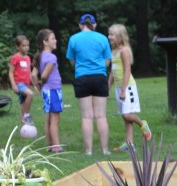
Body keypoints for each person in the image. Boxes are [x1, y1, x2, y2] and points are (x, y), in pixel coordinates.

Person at [65, 13, 113, 155]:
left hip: (82, 78)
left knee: (87, 116)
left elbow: (72, 62)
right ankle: (105, 150)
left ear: (80, 25)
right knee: (101, 115)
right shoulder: (103, 38)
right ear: (94, 25)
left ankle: (89, 151)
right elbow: (107, 61)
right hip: (99, 77)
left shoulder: (73, 39)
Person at [107, 23, 153, 147]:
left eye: (112, 35)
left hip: (127, 87)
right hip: (118, 87)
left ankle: (142, 124)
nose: (109, 37)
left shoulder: (124, 51)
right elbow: (113, 71)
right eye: (109, 34)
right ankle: (129, 143)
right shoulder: (114, 51)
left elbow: (127, 70)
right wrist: (108, 87)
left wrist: (123, 90)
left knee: (127, 114)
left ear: (120, 36)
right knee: (125, 117)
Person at [35, 28, 63, 153]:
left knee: (49, 118)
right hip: (53, 90)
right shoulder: (51, 57)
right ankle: (56, 146)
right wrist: (41, 83)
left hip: (47, 91)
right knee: (55, 119)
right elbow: (44, 76)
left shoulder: (40, 56)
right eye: (53, 38)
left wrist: (38, 87)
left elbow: (32, 75)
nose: (55, 40)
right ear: (45, 42)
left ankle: (50, 145)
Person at [8, 35, 36, 126]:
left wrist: (34, 84)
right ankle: (27, 115)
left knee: (24, 106)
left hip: (26, 85)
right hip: (18, 84)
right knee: (30, 94)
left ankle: (24, 128)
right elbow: (11, 72)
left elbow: (29, 72)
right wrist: (13, 85)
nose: (26, 47)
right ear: (18, 47)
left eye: (27, 45)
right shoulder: (15, 58)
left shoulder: (28, 58)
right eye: (23, 46)